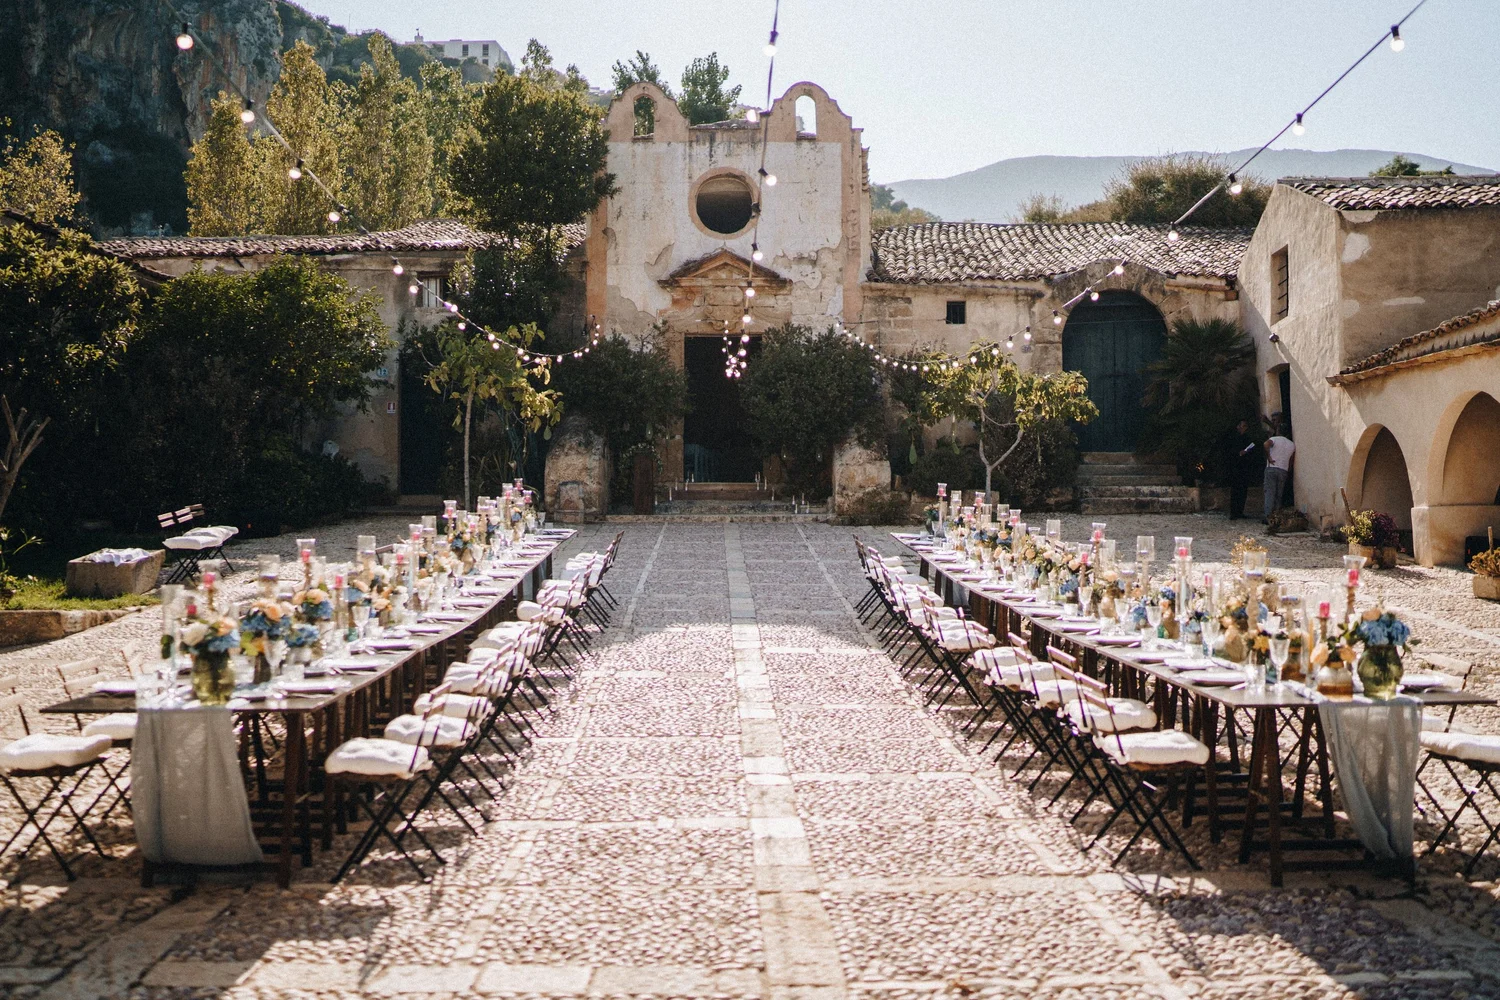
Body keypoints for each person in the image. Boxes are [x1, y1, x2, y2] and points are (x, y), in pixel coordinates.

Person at [1223, 418, 1258, 520]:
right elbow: (1229, 452)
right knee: (1235, 491)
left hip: (1244, 468)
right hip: (1235, 468)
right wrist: (1239, 453)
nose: (1244, 428)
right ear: (1238, 427)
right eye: (1243, 426)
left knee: (1243, 491)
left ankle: (1240, 511)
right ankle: (1234, 512)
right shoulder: (1233, 438)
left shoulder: (1247, 438)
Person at [1263, 422, 1296, 523]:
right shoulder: (1292, 444)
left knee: (1269, 493)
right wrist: (1288, 469)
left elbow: (1265, 444)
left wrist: (1269, 457)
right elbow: (1291, 460)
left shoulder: (1275, 439)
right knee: (1278, 494)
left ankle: (1268, 517)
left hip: (1272, 468)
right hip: (1283, 470)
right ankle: (1276, 517)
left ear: (1278, 431)